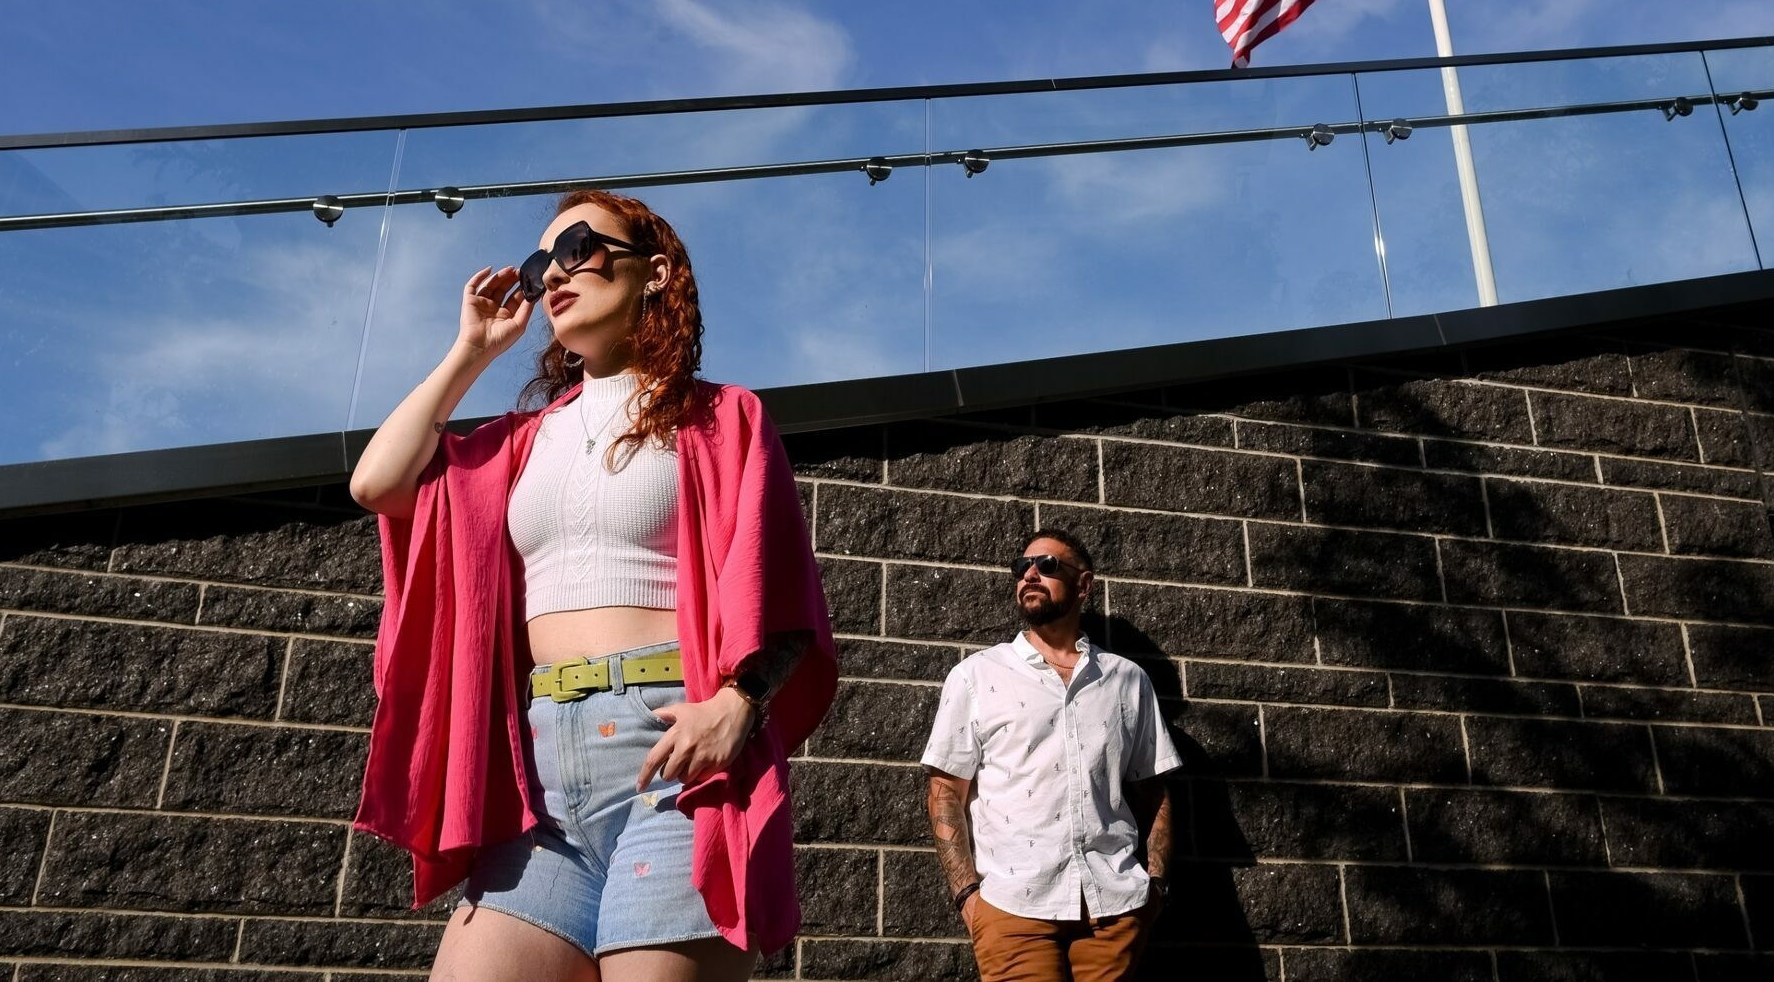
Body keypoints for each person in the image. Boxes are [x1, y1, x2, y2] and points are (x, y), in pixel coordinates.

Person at [348, 190, 836, 982]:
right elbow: (377, 483)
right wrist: (472, 352)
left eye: (578, 247)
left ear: (657, 271)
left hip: (671, 755)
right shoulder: (517, 443)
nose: (552, 276)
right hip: (539, 777)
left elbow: (781, 593)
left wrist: (740, 703)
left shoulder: (722, 420)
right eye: (541, 265)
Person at [921, 529, 1179, 982]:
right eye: (1022, 567)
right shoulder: (976, 676)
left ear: (1084, 585)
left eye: (1048, 565)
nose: (1030, 574)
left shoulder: (1127, 680)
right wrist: (968, 897)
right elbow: (945, 791)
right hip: (1013, 908)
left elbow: (1152, 789)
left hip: (1114, 908)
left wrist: (1153, 886)